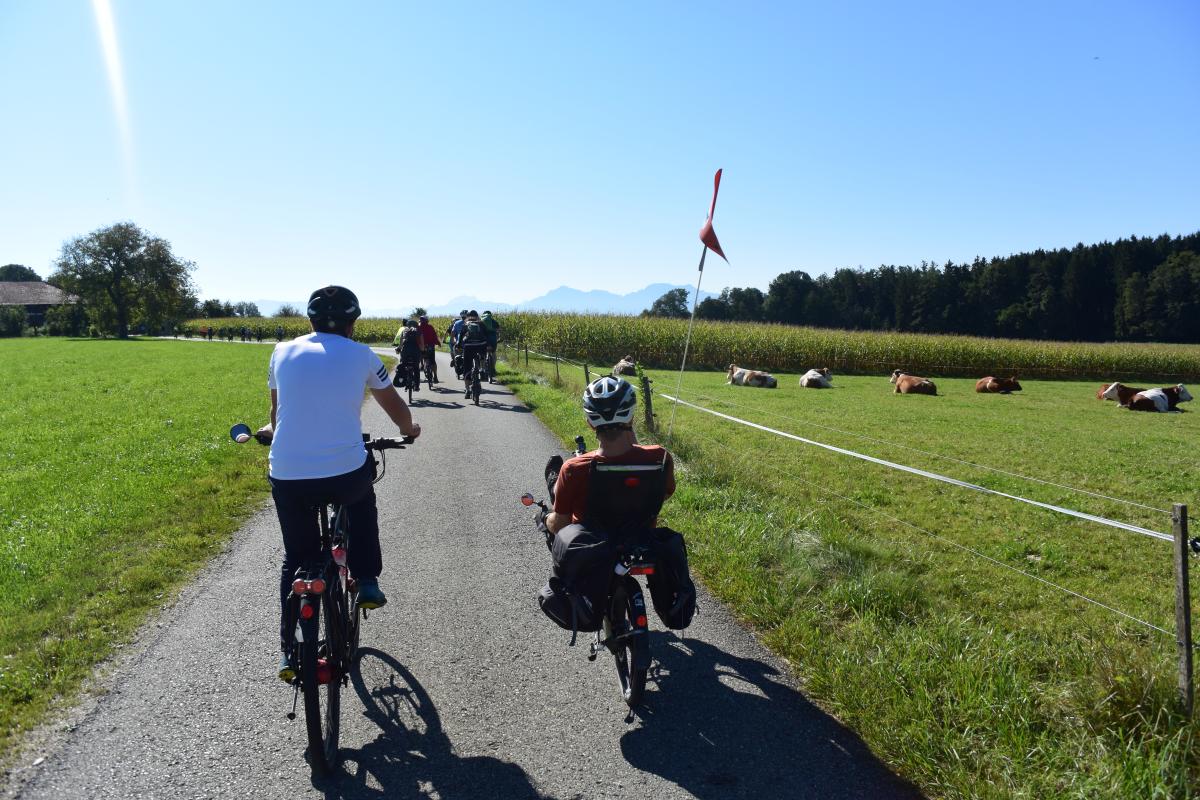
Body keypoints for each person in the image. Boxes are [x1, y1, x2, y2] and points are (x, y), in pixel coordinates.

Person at [262, 285, 421, 682]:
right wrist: (409, 429)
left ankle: (287, 651)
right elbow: (394, 405)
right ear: (353, 323)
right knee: (361, 502)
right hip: (344, 471)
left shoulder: (281, 351)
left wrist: (268, 430)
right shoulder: (363, 355)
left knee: (296, 559)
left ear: (310, 320)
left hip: (288, 473)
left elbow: (277, 413)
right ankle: (366, 579)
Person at [541, 376, 696, 630]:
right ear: (632, 417)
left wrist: (546, 519)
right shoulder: (661, 458)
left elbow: (561, 523)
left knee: (552, 523)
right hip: (641, 536)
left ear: (589, 423)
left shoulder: (574, 468)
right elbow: (664, 493)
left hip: (594, 543)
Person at [455, 310, 488, 398]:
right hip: (481, 346)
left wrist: (458, 346)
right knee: (482, 356)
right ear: (477, 316)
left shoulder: (465, 324)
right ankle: (482, 369)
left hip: (469, 346)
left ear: (467, 316)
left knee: (467, 368)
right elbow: (487, 335)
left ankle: (467, 389)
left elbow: (460, 337)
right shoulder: (481, 324)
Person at [392, 318, 424, 391]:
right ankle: (416, 386)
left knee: (403, 364)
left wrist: (399, 349)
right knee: (416, 368)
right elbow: (422, 344)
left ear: (408, 325)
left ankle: (404, 379)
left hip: (405, 351)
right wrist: (422, 351)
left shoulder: (404, 330)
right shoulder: (419, 331)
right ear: (416, 325)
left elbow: (400, 344)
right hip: (415, 351)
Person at [416, 315, 440, 383]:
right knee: (433, 361)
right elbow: (434, 336)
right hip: (430, 346)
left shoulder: (418, 327)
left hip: (421, 346)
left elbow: (416, 338)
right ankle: (435, 376)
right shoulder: (430, 327)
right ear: (427, 321)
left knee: (420, 355)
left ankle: (422, 365)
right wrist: (438, 343)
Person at [480, 310, 501, 381]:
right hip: (493, 340)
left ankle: (482, 369)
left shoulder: (481, 321)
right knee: (494, 353)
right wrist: (498, 338)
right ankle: (493, 368)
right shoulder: (494, 322)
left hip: (484, 339)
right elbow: (498, 331)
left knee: (482, 354)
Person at [447, 310, 467, 378]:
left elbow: (453, 333)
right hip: (468, 343)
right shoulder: (470, 322)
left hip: (459, 343)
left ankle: (453, 360)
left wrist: (452, 341)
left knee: (454, 352)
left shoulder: (457, 323)